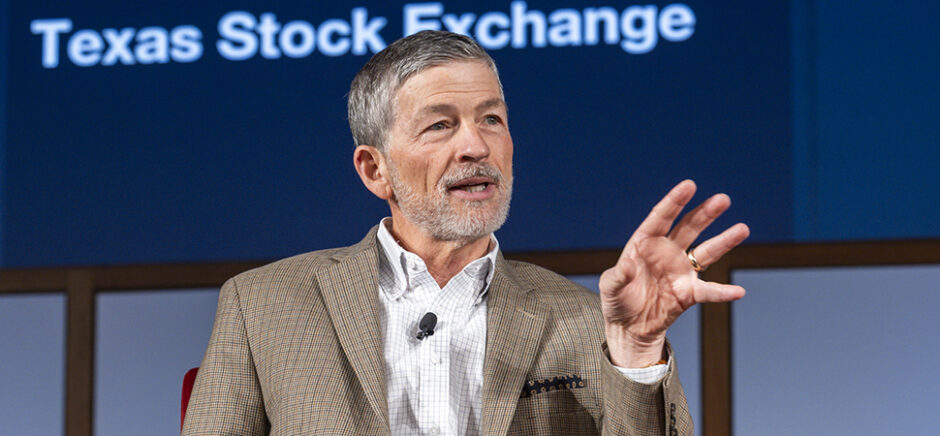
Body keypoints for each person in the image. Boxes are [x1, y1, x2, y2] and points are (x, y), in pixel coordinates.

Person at [182, 30, 749, 436]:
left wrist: (636, 350)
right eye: (441, 125)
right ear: (374, 169)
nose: (476, 146)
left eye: (491, 119)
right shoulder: (263, 304)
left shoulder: (584, 319)